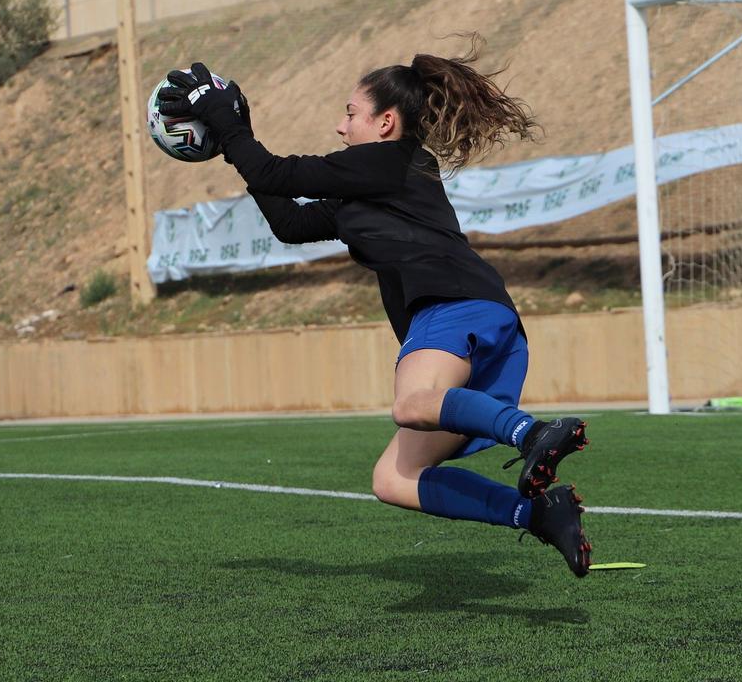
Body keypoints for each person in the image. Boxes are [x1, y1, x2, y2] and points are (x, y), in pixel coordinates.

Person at [158, 37, 593, 576]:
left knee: (411, 404)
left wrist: (230, 127)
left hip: (453, 306)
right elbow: (291, 223)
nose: (341, 127)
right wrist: (233, 138)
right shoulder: (368, 186)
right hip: (478, 312)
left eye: (350, 114)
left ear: (386, 122)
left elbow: (275, 172)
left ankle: (532, 433)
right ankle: (537, 513)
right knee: (393, 479)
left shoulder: (390, 161)